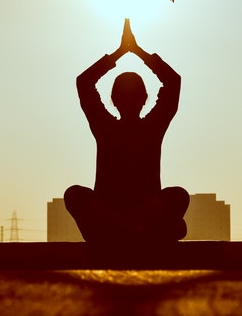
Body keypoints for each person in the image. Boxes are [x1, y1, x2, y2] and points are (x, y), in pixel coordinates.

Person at [64, 19, 189, 243]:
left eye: (133, 95)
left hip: (128, 220)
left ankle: (125, 229)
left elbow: (173, 82)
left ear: (143, 99)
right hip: (117, 217)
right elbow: (84, 83)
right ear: (114, 100)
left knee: (179, 195)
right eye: (125, 95)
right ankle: (132, 229)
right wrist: (126, 52)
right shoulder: (107, 127)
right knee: (74, 194)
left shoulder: (149, 127)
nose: (129, 100)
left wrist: (131, 52)